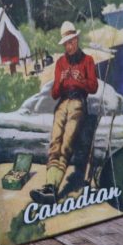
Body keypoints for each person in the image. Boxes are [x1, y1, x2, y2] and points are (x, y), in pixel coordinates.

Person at [30, 21, 98, 206]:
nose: (70, 46)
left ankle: (54, 187)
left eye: (72, 41)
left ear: (77, 39)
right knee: (55, 143)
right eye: (66, 43)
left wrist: (80, 80)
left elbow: (93, 87)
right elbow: (54, 94)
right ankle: (48, 186)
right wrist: (59, 81)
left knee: (66, 144)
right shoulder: (60, 63)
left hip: (77, 103)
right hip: (62, 103)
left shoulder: (88, 61)